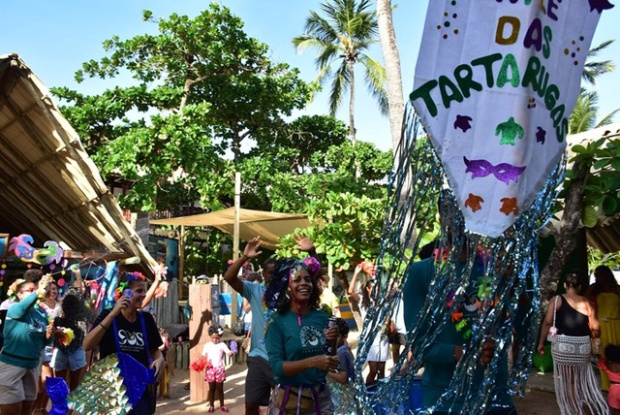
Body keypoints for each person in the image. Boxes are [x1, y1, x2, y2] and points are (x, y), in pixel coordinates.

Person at [403, 248, 516, 414]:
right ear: (440, 219)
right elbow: (418, 344)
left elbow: (521, 325)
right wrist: (464, 353)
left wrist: (513, 283)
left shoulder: (494, 267)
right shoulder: (421, 272)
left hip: (496, 397)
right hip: (447, 401)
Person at [264, 258, 339, 414]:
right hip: (290, 402)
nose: (304, 283)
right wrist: (312, 362)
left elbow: (328, 358)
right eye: (297, 280)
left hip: (321, 400)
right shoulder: (277, 323)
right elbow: (277, 368)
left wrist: (332, 341)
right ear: (286, 287)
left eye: (307, 279)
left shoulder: (321, 317)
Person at [83, 271, 165, 415]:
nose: (144, 295)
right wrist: (113, 314)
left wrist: (160, 358)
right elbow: (87, 345)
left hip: (140, 391)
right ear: (125, 293)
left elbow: (154, 350)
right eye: (139, 291)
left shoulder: (146, 319)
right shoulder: (108, 316)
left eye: (144, 290)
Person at [538, 273, 607, 415]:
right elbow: (596, 328)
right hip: (583, 346)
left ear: (565, 285)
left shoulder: (557, 300)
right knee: (581, 381)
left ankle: (574, 410)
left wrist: (541, 343)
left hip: (563, 346)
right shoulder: (587, 302)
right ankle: (585, 407)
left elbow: (547, 322)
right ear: (580, 287)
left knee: (568, 381)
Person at [224, 237, 276, 415]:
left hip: (281, 360)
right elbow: (228, 278)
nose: (272, 276)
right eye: (269, 272)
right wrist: (244, 257)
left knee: (284, 405)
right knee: (251, 406)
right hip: (258, 357)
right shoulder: (256, 290)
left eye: (276, 272)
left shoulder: (288, 293)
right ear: (263, 274)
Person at [0, 275, 53, 415]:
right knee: (11, 410)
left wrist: (49, 336)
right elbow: (25, 304)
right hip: (12, 365)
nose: (36, 292)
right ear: (19, 294)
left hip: (32, 366)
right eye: (31, 290)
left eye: (35, 289)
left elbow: (43, 343)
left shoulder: (40, 315)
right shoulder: (15, 308)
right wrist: (40, 289)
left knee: (27, 408)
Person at [348, 262, 389, 384]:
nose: (375, 291)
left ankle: (379, 395)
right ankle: (367, 392)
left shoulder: (383, 301)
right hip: (370, 339)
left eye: (377, 289)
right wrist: (356, 273)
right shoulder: (362, 301)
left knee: (382, 370)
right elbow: (350, 292)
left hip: (382, 337)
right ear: (367, 289)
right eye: (372, 289)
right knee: (373, 370)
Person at [50, 287, 91, 392]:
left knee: (59, 381)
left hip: (61, 349)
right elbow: (93, 319)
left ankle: (61, 405)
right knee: (75, 381)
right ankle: (71, 405)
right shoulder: (85, 312)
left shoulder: (59, 311)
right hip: (76, 349)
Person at [586, 265, 620, 392]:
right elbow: (585, 300)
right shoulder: (594, 289)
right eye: (596, 275)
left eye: (601, 274)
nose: (598, 277)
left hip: (616, 324)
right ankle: (606, 385)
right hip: (598, 326)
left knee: (616, 353)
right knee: (600, 353)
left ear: (607, 274)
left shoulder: (616, 288)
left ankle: (617, 382)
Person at [33, 280, 62, 414]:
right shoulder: (39, 306)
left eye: (54, 289)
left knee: (48, 380)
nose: (52, 292)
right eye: (49, 289)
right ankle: (37, 408)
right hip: (42, 344)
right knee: (43, 380)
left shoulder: (60, 305)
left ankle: (41, 407)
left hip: (57, 345)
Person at [326, 318, 357, 414]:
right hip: (346, 397)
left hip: (343, 398)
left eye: (336, 337)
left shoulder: (341, 353)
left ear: (344, 336)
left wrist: (325, 371)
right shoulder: (344, 349)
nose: (332, 340)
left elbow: (343, 378)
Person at [202, 324, 233, 413]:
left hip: (219, 369)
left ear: (220, 336)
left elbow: (228, 352)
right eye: (213, 338)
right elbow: (203, 356)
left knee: (220, 389)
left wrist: (231, 352)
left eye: (217, 338)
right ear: (210, 336)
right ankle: (211, 406)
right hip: (210, 370)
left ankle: (222, 405)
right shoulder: (207, 346)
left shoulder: (222, 345)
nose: (215, 340)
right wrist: (201, 362)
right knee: (211, 389)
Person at [597, 344, 620, 415]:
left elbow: (597, 355)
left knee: (616, 411)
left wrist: (595, 340)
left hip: (614, 392)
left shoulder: (606, 364)